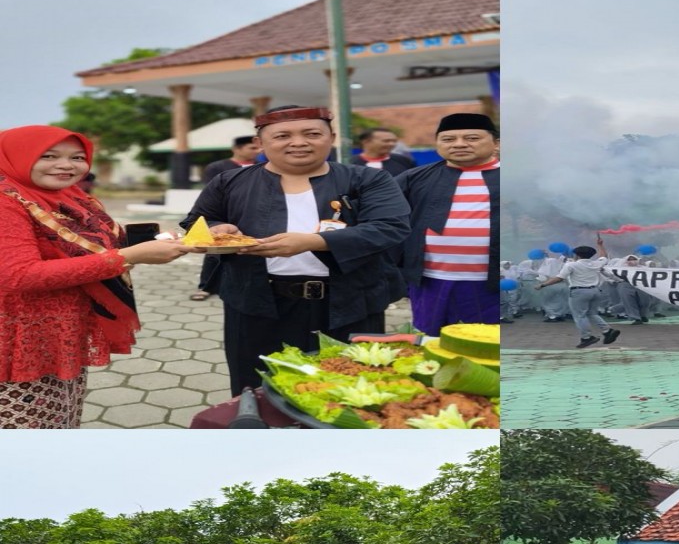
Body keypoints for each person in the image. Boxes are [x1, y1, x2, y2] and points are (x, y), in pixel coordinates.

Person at [180, 105, 411, 396]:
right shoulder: (229, 181)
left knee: (350, 389)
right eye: (283, 136)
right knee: (258, 387)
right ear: (261, 143)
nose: (298, 142)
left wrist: (315, 242)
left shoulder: (367, 179)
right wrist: (218, 228)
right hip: (255, 303)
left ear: (331, 137)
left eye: (312, 134)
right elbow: (196, 222)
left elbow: (391, 227)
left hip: (350, 303)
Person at [0, 126, 194, 427]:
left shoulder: (72, 196)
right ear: (16, 157)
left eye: (77, 157)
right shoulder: (6, 201)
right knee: (27, 429)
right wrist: (128, 257)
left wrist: (170, 240)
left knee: (62, 417)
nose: (66, 165)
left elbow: (95, 246)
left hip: (62, 330)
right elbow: (19, 275)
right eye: (49, 156)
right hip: (19, 337)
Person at [394, 113, 500, 334]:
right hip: (432, 281)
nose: (459, 144)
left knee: (491, 347)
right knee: (433, 341)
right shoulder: (414, 178)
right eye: (448, 139)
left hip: (494, 284)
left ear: (496, 142)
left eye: (471, 138)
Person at [190, 136, 261, 301]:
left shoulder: (262, 167)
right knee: (214, 251)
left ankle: (244, 287)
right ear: (236, 149)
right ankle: (206, 287)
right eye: (252, 148)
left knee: (250, 250)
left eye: (258, 148)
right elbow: (210, 193)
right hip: (224, 215)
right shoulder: (217, 167)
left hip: (253, 215)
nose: (257, 151)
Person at [535, 244, 622, 349]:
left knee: (580, 316)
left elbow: (559, 278)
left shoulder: (571, 265)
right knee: (592, 313)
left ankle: (586, 337)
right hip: (595, 290)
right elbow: (604, 256)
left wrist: (543, 284)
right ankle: (607, 330)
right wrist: (600, 245)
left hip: (579, 292)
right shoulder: (596, 263)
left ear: (577, 255)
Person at [350, 128, 416, 176]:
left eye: (394, 141)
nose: (391, 144)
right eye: (386, 141)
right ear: (366, 141)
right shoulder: (350, 163)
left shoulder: (404, 161)